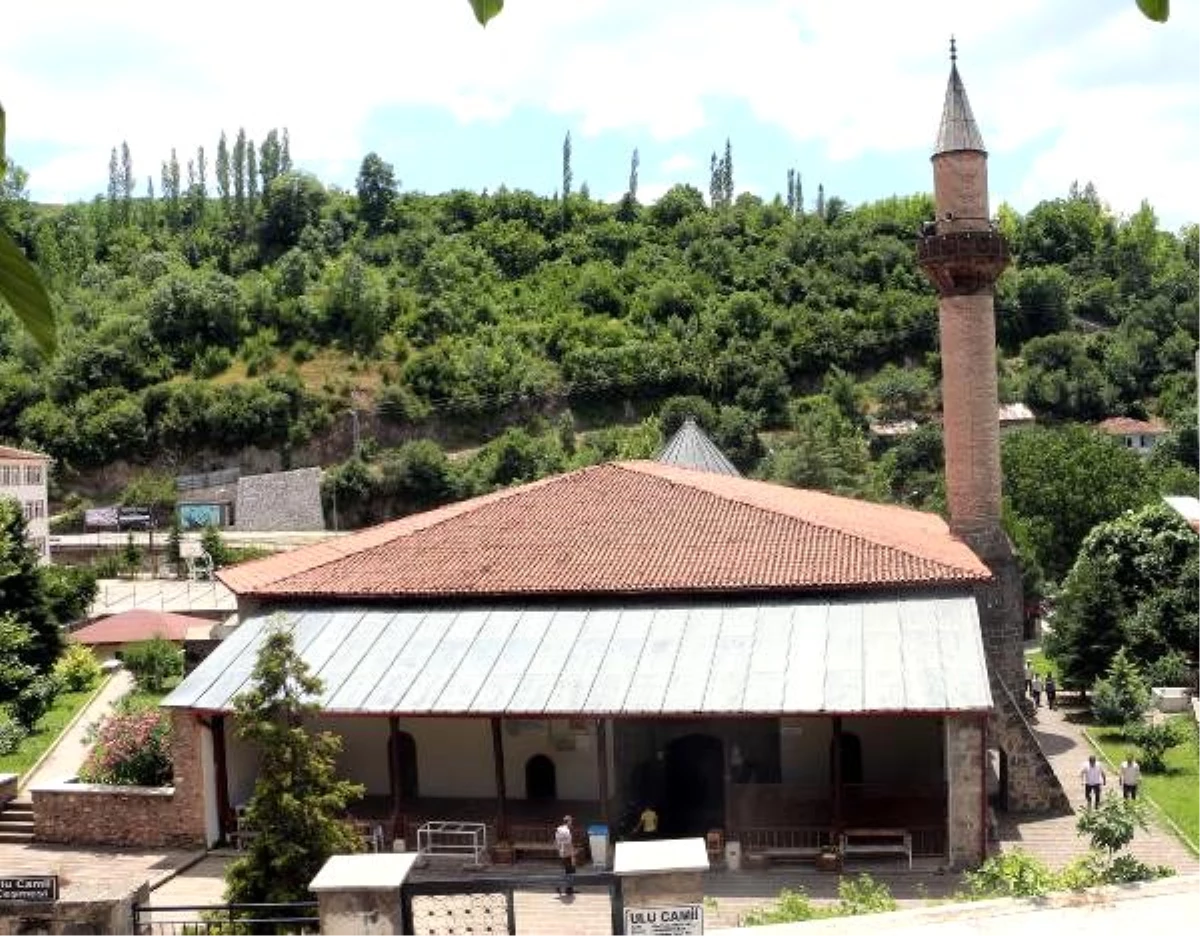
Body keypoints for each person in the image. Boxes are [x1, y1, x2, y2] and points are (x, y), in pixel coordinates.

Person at [555, 815, 575, 896]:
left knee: (568, 871)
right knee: (570, 871)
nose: (571, 823)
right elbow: (569, 844)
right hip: (567, 853)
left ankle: (568, 889)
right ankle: (563, 886)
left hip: (561, 852)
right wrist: (573, 856)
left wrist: (559, 851)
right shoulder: (567, 831)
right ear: (568, 822)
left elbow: (556, 842)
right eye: (571, 821)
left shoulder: (558, 829)